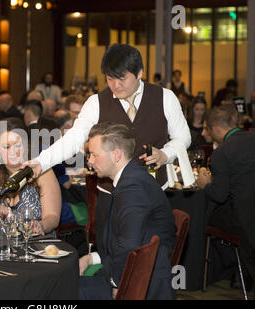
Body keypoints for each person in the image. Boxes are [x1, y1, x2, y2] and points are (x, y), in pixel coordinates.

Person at [25, 44, 190, 247]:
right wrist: (40, 162)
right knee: (110, 255)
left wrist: (165, 154)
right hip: (111, 196)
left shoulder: (165, 97)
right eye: (110, 79)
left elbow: (183, 136)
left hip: (152, 191)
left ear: (139, 73)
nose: (115, 85)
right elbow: (74, 139)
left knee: (151, 256)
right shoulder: (96, 102)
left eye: (122, 79)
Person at [78, 122, 176, 300]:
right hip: (134, 272)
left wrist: (117, 283)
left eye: (94, 154)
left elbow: (130, 244)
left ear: (116, 155)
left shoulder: (132, 187)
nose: (90, 161)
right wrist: (91, 258)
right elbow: (123, 240)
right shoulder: (131, 177)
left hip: (139, 283)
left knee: (60, 291)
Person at [197, 105, 255, 293]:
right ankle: (239, 273)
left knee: (208, 215)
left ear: (217, 129)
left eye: (208, 129)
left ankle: (230, 270)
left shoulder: (222, 152)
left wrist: (205, 184)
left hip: (242, 218)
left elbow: (219, 194)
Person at [0, 117, 61, 234]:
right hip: (0, 243)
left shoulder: (41, 170)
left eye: (18, 145)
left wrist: (41, 226)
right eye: (6, 147)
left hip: (37, 244)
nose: (13, 152)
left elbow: (52, 216)